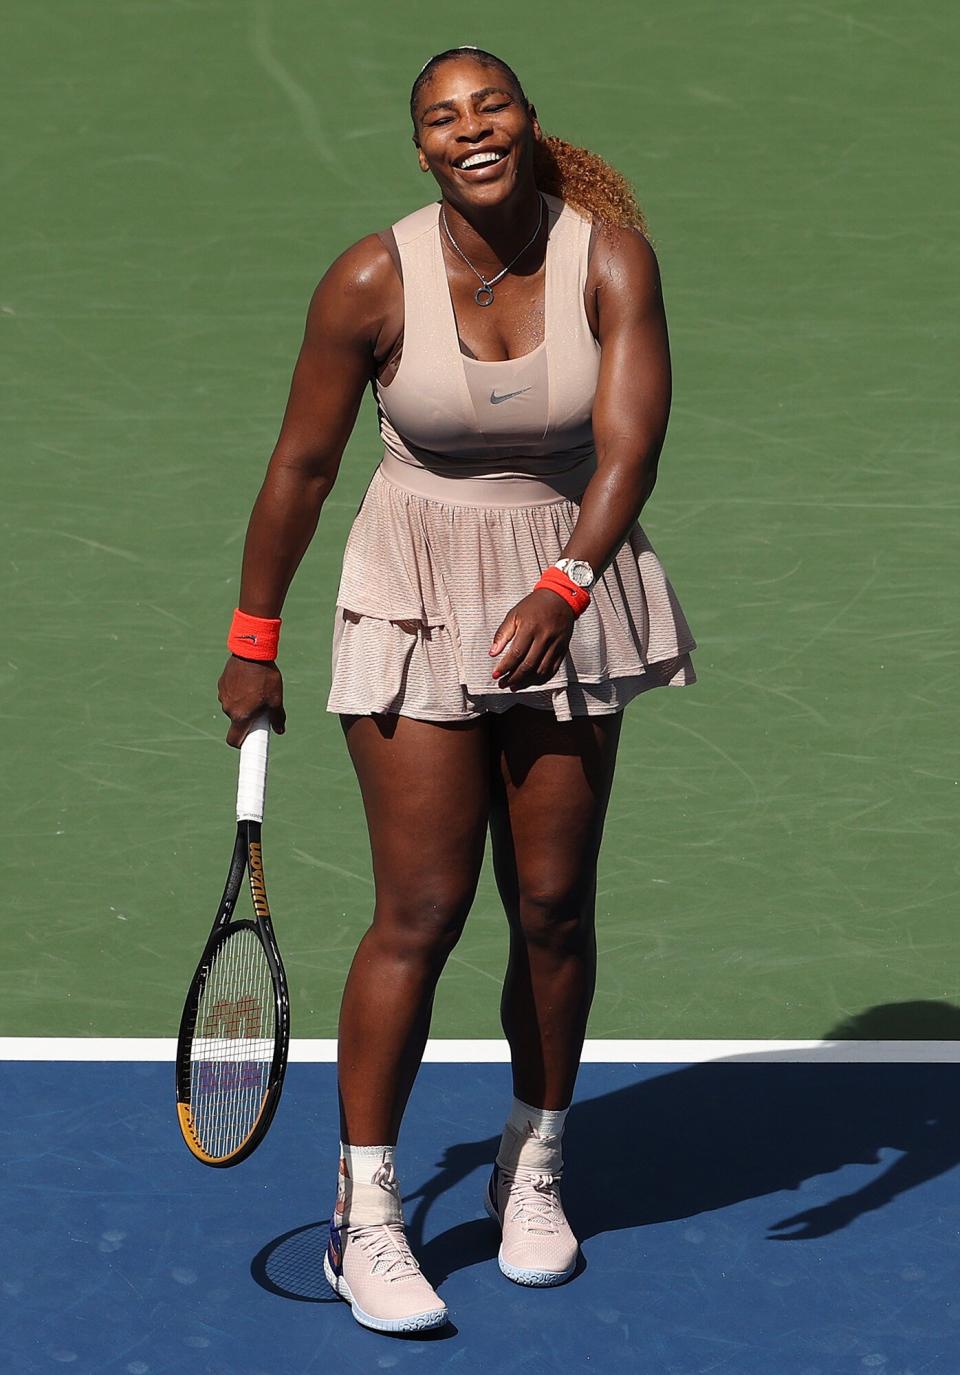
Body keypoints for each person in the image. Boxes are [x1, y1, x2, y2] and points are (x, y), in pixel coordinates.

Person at [218, 46, 696, 1335]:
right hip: (416, 590)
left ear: (530, 123)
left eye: (491, 107)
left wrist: (569, 582)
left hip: (566, 583)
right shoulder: (373, 277)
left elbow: (630, 441)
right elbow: (304, 465)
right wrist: (252, 637)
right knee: (420, 905)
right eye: (443, 118)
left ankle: (532, 1164)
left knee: (551, 904)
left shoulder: (611, 261)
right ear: (421, 149)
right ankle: (365, 1215)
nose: (471, 130)